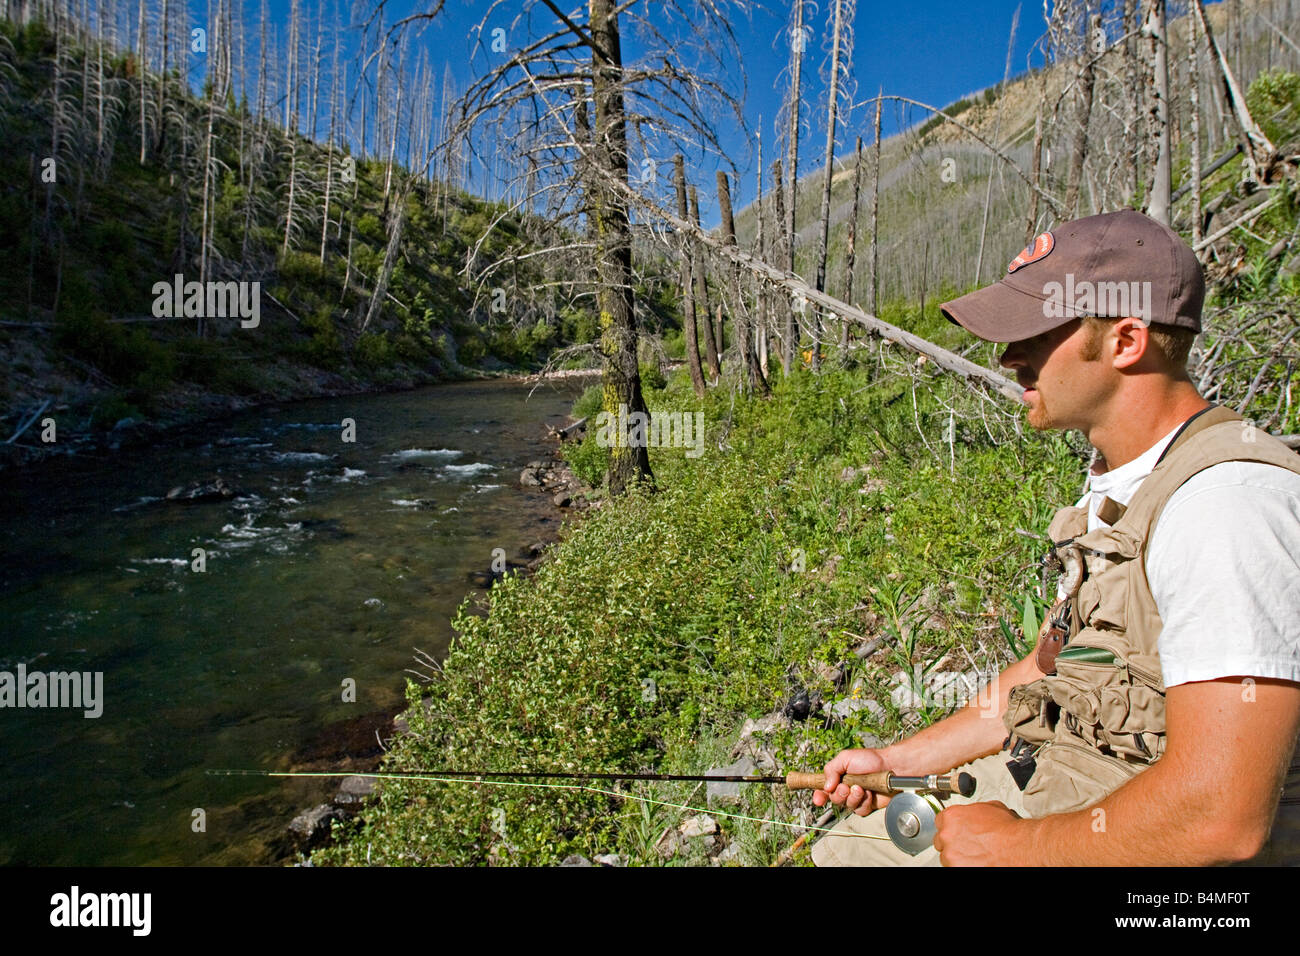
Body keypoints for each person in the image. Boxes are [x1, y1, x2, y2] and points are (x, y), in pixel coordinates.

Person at [810, 209, 1300, 866]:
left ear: (1126, 341)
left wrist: (1016, 848)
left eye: (1034, 334)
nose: (1010, 356)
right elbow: (1049, 666)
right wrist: (895, 762)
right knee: (852, 850)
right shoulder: (1118, 483)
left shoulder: (1226, 508)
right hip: (1052, 778)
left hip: (1140, 834)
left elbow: (1220, 815)